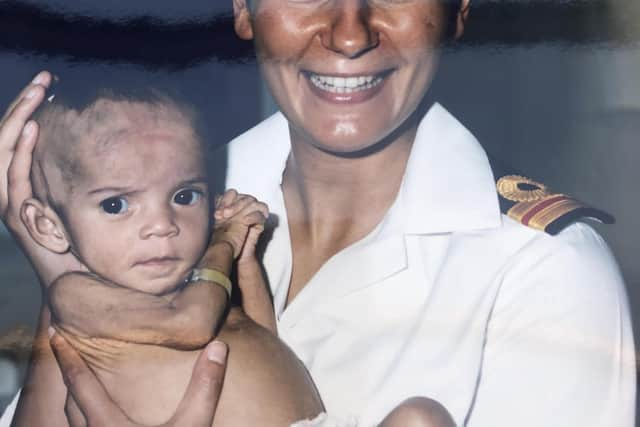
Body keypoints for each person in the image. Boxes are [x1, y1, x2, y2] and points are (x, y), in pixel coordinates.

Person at [0, 0, 636, 426]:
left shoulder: (543, 272)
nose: (350, 32)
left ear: (457, 9)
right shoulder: (159, 198)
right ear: (244, 6)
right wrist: (67, 270)